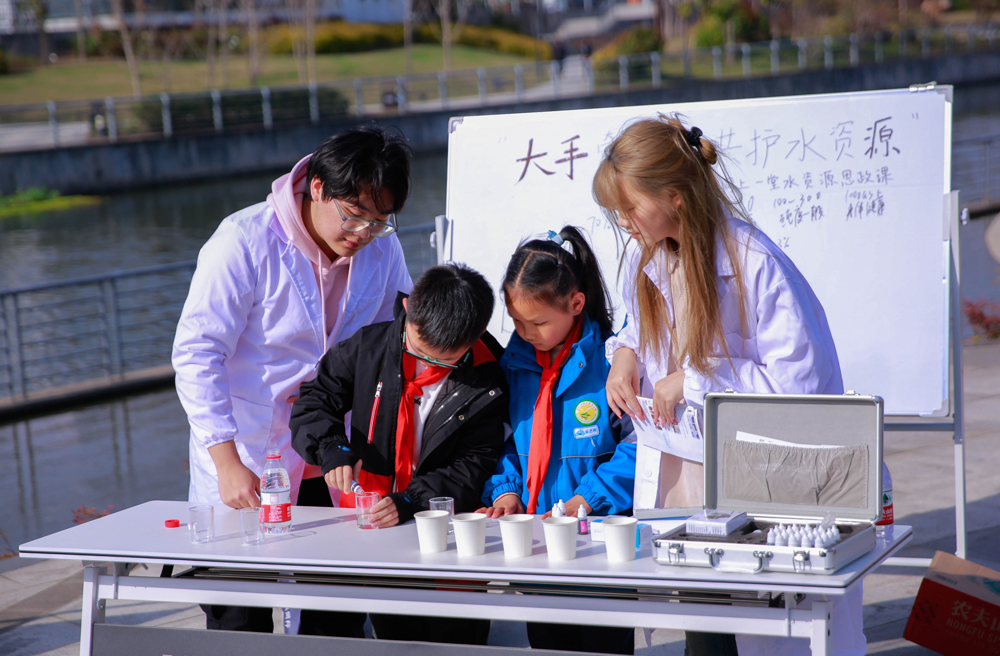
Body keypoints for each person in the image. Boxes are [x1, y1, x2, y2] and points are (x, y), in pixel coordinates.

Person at [592, 115, 863, 656]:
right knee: (705, 625)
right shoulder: (648, 259)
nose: (622, 221)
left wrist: (690, 379)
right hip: (688, 473)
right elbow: (634, 326)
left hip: (762, 476)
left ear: (674, 197)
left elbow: (801, 388)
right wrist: (623, 357)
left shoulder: (756, 264)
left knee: (767, 626)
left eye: (629, 207)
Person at [172, 126, 414, 635]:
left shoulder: (381, 249)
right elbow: (197, 354)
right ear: (318, 187)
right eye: (354, 215)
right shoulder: (244, 240)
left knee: (338, 610)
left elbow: (400, 334)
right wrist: (226, 460)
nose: (363, 233)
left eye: (379, 221)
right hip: (252, 458)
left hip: (337, 460)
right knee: (238, 612)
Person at [290, 263, 508, 645]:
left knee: (454, 637)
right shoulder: (369, 346)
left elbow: (475, 463)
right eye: (420, 351)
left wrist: (411, 500)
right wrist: (332, 448)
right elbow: (314, 402)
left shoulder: (489, 376)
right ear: (408, 308)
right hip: (368, 517)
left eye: (445, 361)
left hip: (448, 531)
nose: (429, 366)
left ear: (474, 340)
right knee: (389, 632)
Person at [479, 226, 636, 655]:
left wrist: (587, 499)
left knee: (603, 644)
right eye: (516, 321)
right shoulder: (514, 363)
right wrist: (508, 490)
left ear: (576, 303)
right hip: (538, 542)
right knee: (548, 643)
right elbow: (506, 442)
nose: (526, 332)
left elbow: (639, 446)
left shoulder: (612, 360)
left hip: (601, 541)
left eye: (538, 322)